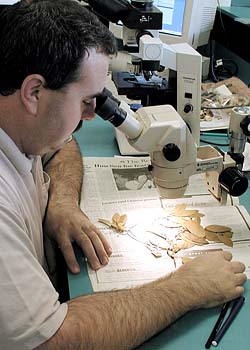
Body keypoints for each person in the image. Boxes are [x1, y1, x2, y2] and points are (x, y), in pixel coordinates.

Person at [0, 1, 247, 350]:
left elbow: (63, 144)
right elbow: (53, 341)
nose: (90, 116)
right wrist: (187, 288)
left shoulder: (22, 123)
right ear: (34, 93)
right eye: (87, 101)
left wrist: (62, 202)